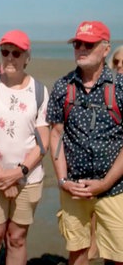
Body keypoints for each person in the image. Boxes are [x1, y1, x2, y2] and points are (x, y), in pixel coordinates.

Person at [47, 21, 123, 265]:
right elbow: (56, 134)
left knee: (118, 255)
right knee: (78, 253)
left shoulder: (120, 86)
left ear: (105, 49)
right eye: (77, 43)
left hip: (114, 189)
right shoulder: (62, 86)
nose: (81, 48)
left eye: (88, 44)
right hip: (74, 190)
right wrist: (62, 181)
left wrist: (105, 183)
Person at [0, 30, 49, 265]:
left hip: (28, 178)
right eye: (5, 52)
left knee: (17, 238)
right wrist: (1, 176)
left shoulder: (39, 91)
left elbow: (44, 140)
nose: (10, 57)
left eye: (17, 53)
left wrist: (18, 173)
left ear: (27, 57)